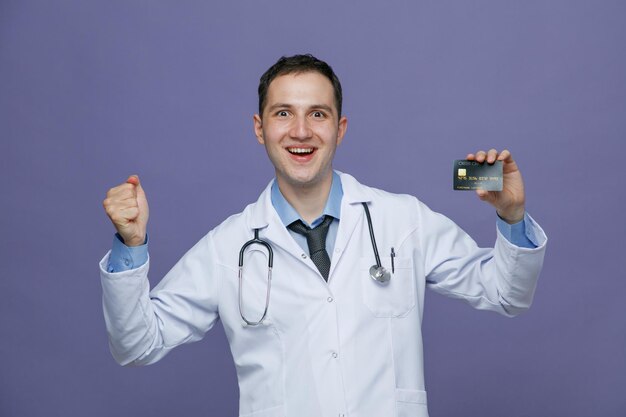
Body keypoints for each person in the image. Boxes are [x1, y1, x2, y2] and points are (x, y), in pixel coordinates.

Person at [100, 54, 546, 417]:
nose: (300, 131)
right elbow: (138, 343)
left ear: (340, 128)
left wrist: (512, 216)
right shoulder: (227, 247)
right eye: (282, 114)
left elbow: (508, 294)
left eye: (317, 114)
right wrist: (131, 245)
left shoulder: (403, 219)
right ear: (260, 128)